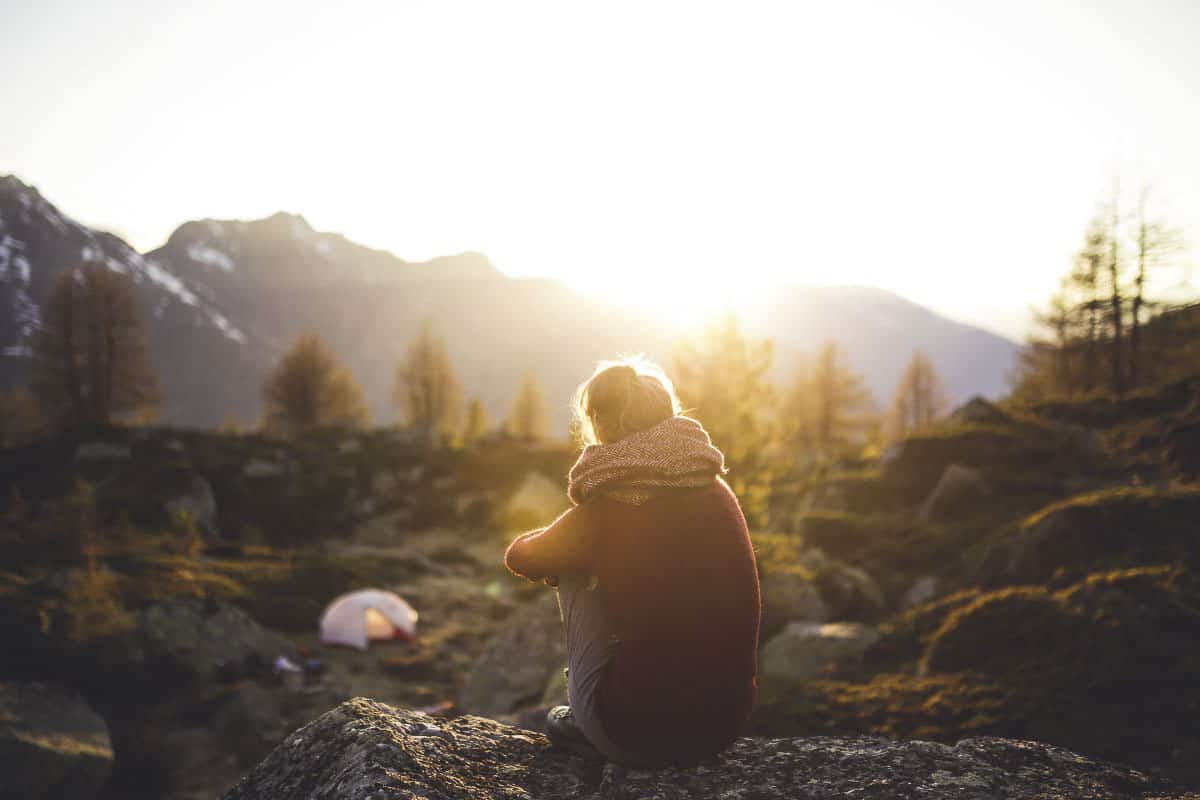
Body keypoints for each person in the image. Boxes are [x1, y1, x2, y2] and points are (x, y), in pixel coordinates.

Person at [504, 357, 761, 767]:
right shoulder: (716, 488)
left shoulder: (609, 505)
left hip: (634, 735)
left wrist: (577, 543)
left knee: (570, 564)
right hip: (722, 729)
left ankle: (587, 710)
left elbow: (522, 557)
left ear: (600, 423)